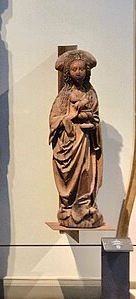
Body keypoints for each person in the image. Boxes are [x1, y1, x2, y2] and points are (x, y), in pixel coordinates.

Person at [49, 50, 104, 228]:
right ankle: (67, 208)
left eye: (81, 69)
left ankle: (84, 207)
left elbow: (95, 116)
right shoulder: (64, 96)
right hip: (69, 142)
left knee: (87, 173)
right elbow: (54, 119)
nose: (78, 72)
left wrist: (89, 120)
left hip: (86, 142)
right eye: (74, 69)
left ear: (87, 71)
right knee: (70, 174)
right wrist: (70, 117)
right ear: (69, 73)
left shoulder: (91, 93)